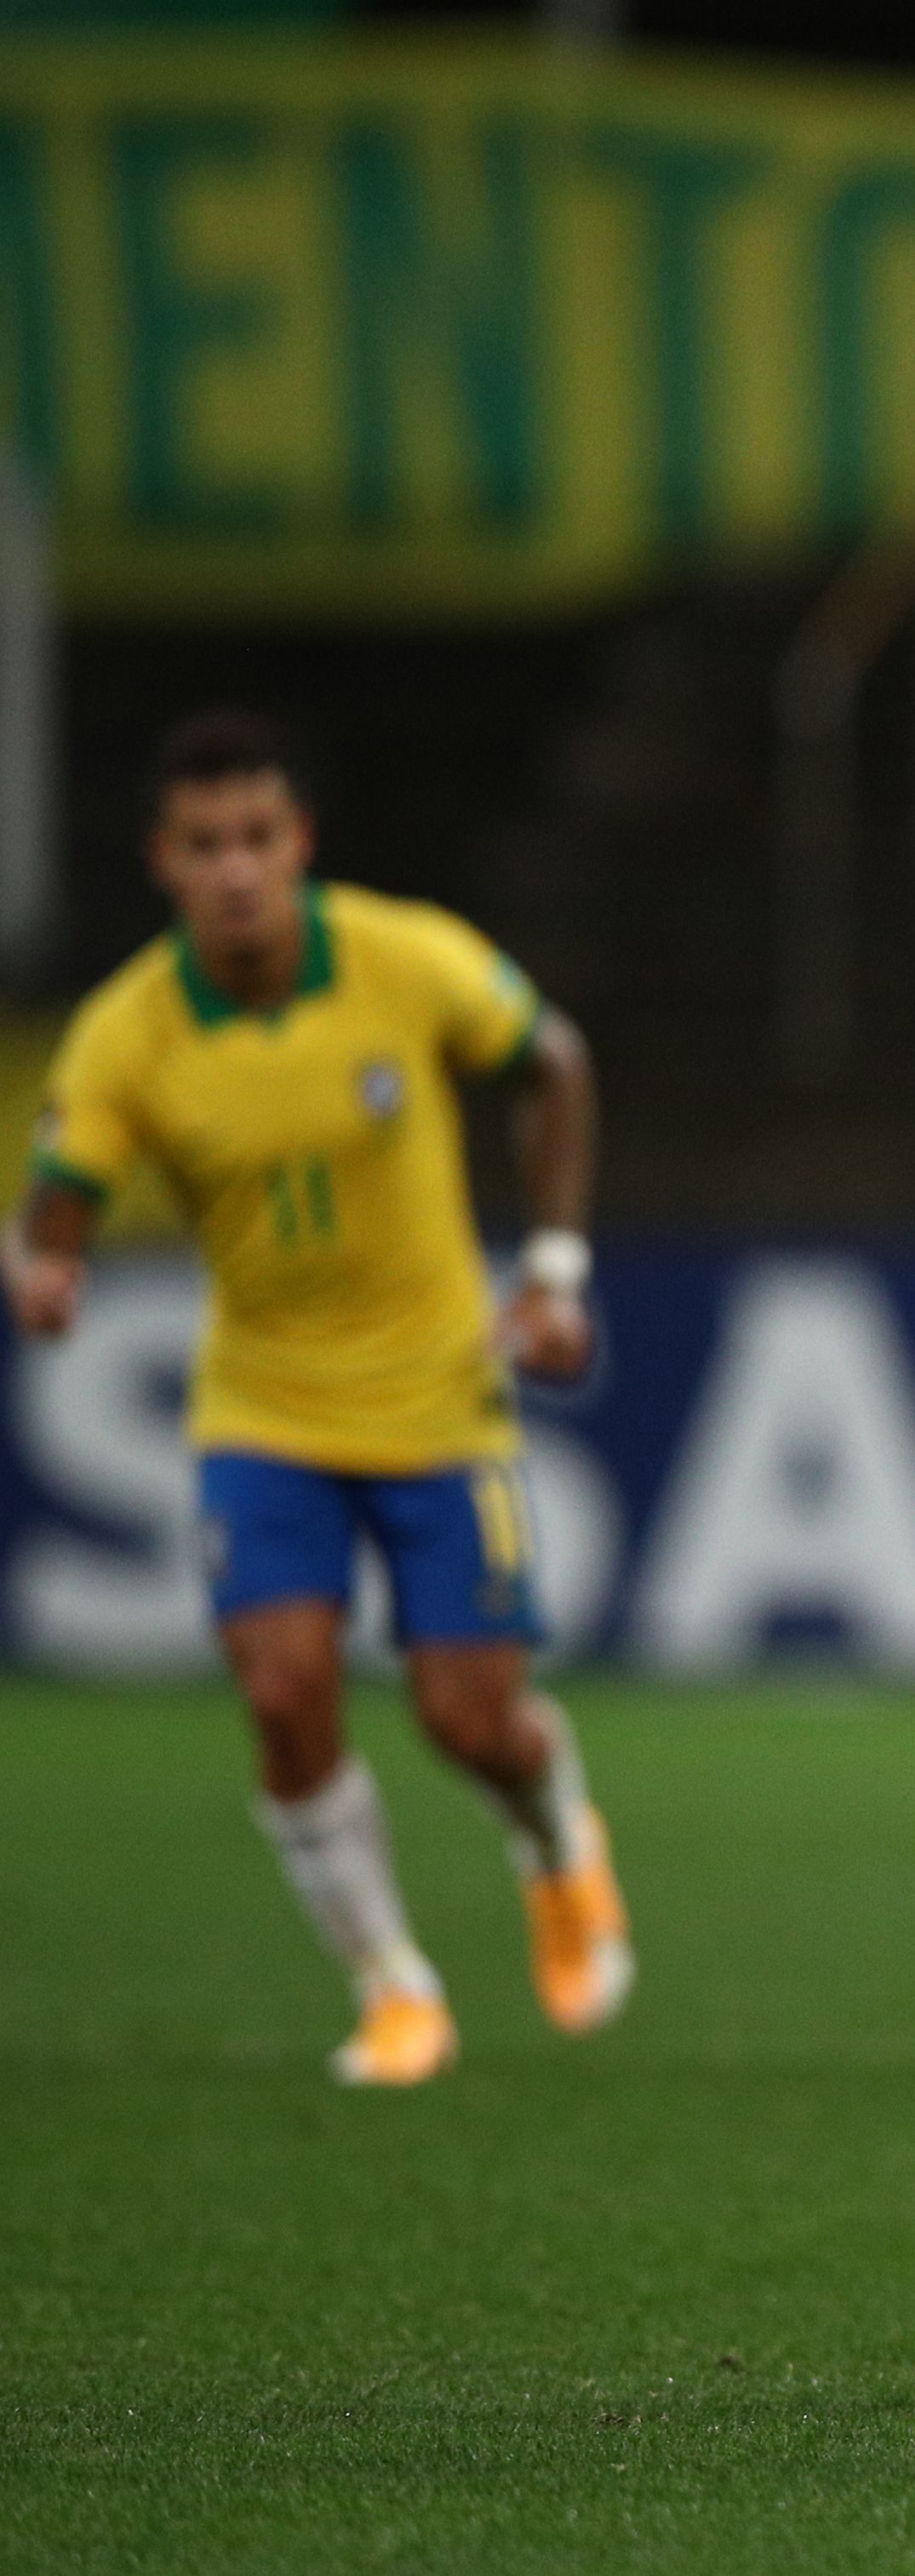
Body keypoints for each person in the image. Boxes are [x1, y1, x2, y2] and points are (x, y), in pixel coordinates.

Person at [5, 710, 626, 2087]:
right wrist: (42, 1276)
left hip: (441, 1399)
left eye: (257, 838)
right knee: (285, 1699)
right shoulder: (127, 1034)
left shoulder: (408, 958)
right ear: (165, 862)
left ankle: (554, 1836)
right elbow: (51, 1222)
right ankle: (394, 1986)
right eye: (205, 845)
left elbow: (555, 1062)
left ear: (300, 844)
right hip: (263, 1410)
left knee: (469, 1720)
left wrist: (556, 1270)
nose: (235, 869)